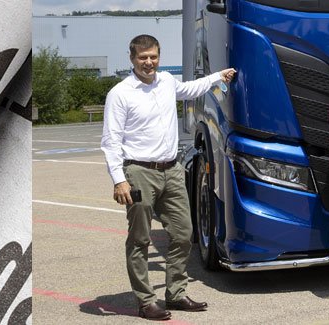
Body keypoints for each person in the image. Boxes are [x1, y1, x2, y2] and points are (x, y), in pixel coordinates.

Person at [101, 34, 236, 320]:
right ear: (132, 59)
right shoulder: (120, 93)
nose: (148, 62)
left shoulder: (166, 82)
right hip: (139, 173)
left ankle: (175, 294)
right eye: (143, 58)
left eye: (153, 57)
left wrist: (218, 76)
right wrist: (118, 179)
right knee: (139, 239)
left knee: (184, 234)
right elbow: (111, 141)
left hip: (172, 169)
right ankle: (145, 300)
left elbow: (190, 88)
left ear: (158, 57)